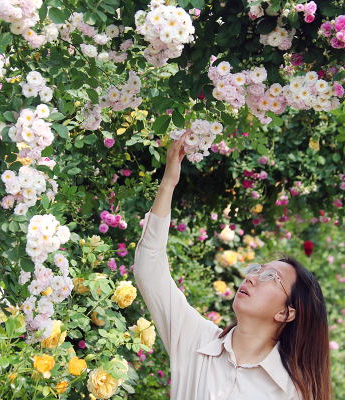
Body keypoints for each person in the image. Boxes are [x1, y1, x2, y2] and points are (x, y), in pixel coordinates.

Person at [133, 132, 332, 400]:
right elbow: (149, 270)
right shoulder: (197, 340)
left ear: (286, 314)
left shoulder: (291, 392)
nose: (252, 278)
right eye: (256, 269)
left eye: (271, 277)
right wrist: (169, 182)